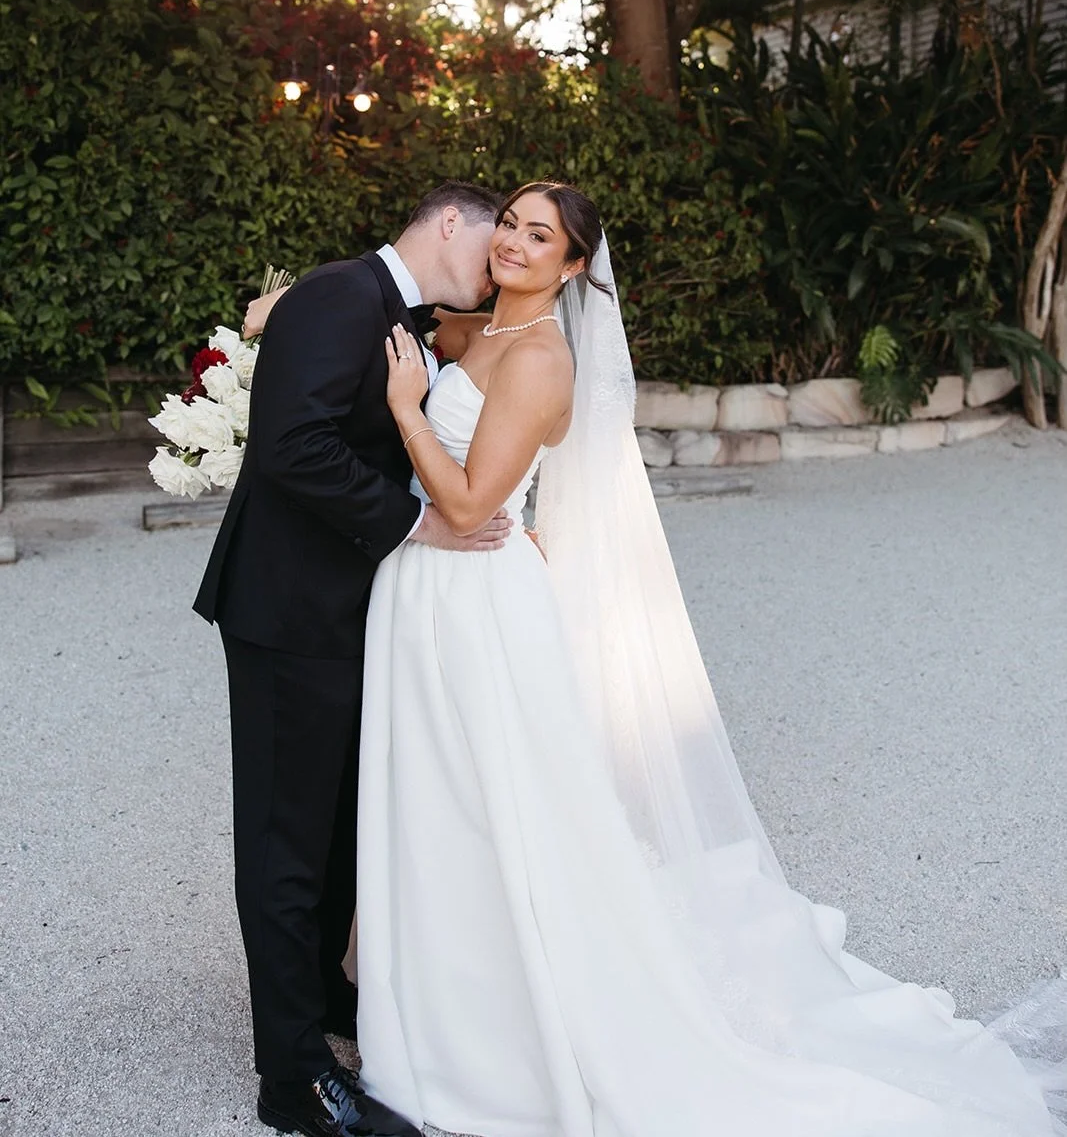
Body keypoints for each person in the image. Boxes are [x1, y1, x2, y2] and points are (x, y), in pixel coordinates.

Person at [350, 180, 1062, 1137]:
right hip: (424, 593)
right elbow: (406, 318)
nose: (514, 244)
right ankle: (424, 985)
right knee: (435, 794)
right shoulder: (472, 332)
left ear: (571, 267)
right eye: (509, 225)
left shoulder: (541, 363)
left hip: (473, 593)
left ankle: (494, 1022)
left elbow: (474, 506)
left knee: (488, 805)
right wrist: (286, 313)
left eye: (538, 235)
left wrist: (404, 411)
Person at [193, 182, 511, 1137]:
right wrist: (422, 524)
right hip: (289, 610)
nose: (494, 269)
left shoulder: (402, 313)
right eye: (492, 246)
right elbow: (292, 449)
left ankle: (328, 1006)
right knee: (287, 845)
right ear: (448, 222)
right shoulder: (340, 295)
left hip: (345, 609)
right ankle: (292, 1082)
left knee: (337, 825)